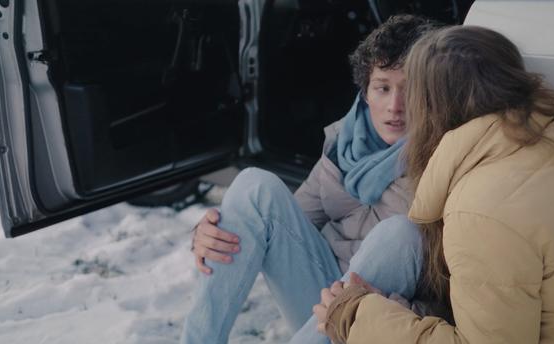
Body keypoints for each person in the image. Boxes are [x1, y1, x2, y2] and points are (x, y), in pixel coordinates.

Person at [315, 25, 554, 343]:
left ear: (431, 108)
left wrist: (357, 318)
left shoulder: (481, 209)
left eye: (411, 93)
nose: (399, 106)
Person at [180, 15, 438, 344]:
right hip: (319, 303)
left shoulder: (444, 162)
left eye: (411, 89)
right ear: (366, 91)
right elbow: (281, 225)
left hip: (376, 324)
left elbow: (457, 301)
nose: (395, 106)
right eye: (383, 87)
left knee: (400, 232)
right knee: (253, 186)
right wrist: (213, 233)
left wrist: (394, 311)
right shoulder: (346, 142)